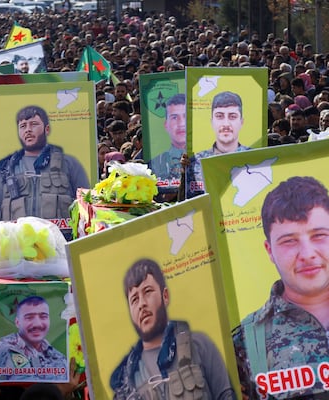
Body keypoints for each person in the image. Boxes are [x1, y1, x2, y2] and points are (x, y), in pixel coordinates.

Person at [233, 176, 329, 399]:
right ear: (269, 250)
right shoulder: (246, 341)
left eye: (319, 236)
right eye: (289, 241)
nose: (307, 254)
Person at [110, 258, 234, 400]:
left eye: (148, 291)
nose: (142, 304)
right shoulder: (125, 381)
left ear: (165, 296)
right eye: (134, 299)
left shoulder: (199, 345)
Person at [0, 105, 89, 221]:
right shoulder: (6, 169)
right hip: (17, 238)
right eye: (23, 126)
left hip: (61, 238)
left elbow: (86, 205)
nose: (28, 130)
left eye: (34, 124)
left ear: (47, 129)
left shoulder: (68, 164)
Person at [186, 91, 251, 198]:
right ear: (212, 121)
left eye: (232, 116)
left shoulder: (254, 159)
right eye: (220, 116)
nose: (226, 124)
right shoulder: (196, 162)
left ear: (241, 122)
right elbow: (189, 202)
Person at [0, 296, 67, 382]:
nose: (37, 324)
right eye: (29, 317)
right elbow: (28, 385)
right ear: (17, 322)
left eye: (43, 316)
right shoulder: (7, 349)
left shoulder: (54, 354)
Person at [148, 93, 186, 194]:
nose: (181, 123)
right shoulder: (153, 164)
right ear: (166, 124)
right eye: (174, 117)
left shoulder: (207, 160)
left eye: (185, 117)